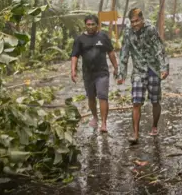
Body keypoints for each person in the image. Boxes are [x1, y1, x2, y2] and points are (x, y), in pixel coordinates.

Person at [117, 8, 169, 144]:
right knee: (136, 102)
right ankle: (135, 133)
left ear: (142, 19)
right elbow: (124, 52)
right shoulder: (128, 32)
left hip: (153, 68)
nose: (134, 24)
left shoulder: (151, 29)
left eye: (137, 21)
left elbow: (159, 48)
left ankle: (154, 126)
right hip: (138, 70)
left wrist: (164, 67)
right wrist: (121, 73)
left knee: (155, 101)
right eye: (132, 22)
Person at [71, 14, 118, 133]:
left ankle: (104, 123)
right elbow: (75, 56)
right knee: (91, 98)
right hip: (88, 74)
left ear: (97, 25)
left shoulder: (103, 37)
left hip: (102, 73)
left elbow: (111, 52)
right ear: (85, 25)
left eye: (93, 24)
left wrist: (116, 67)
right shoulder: (79, 39)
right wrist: (73, 70)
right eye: (88, 24)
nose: (90, 26)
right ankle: (95, 117)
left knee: (103, 97)